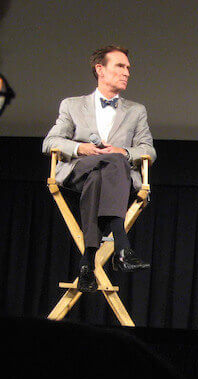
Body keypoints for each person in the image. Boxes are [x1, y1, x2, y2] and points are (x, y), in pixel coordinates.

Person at [43, 45, 155, 293]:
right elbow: (50, 142)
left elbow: (149, 150)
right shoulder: (72, 105)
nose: (127, 72)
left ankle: (87, 264)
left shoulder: (136, 111)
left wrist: (123, 152)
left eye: (128, 68)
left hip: (108, 177)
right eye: (120, 66)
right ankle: (122, 246)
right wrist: (80, 148)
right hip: (79, 169)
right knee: (106, 165)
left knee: (106, 169)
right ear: (100, 70)